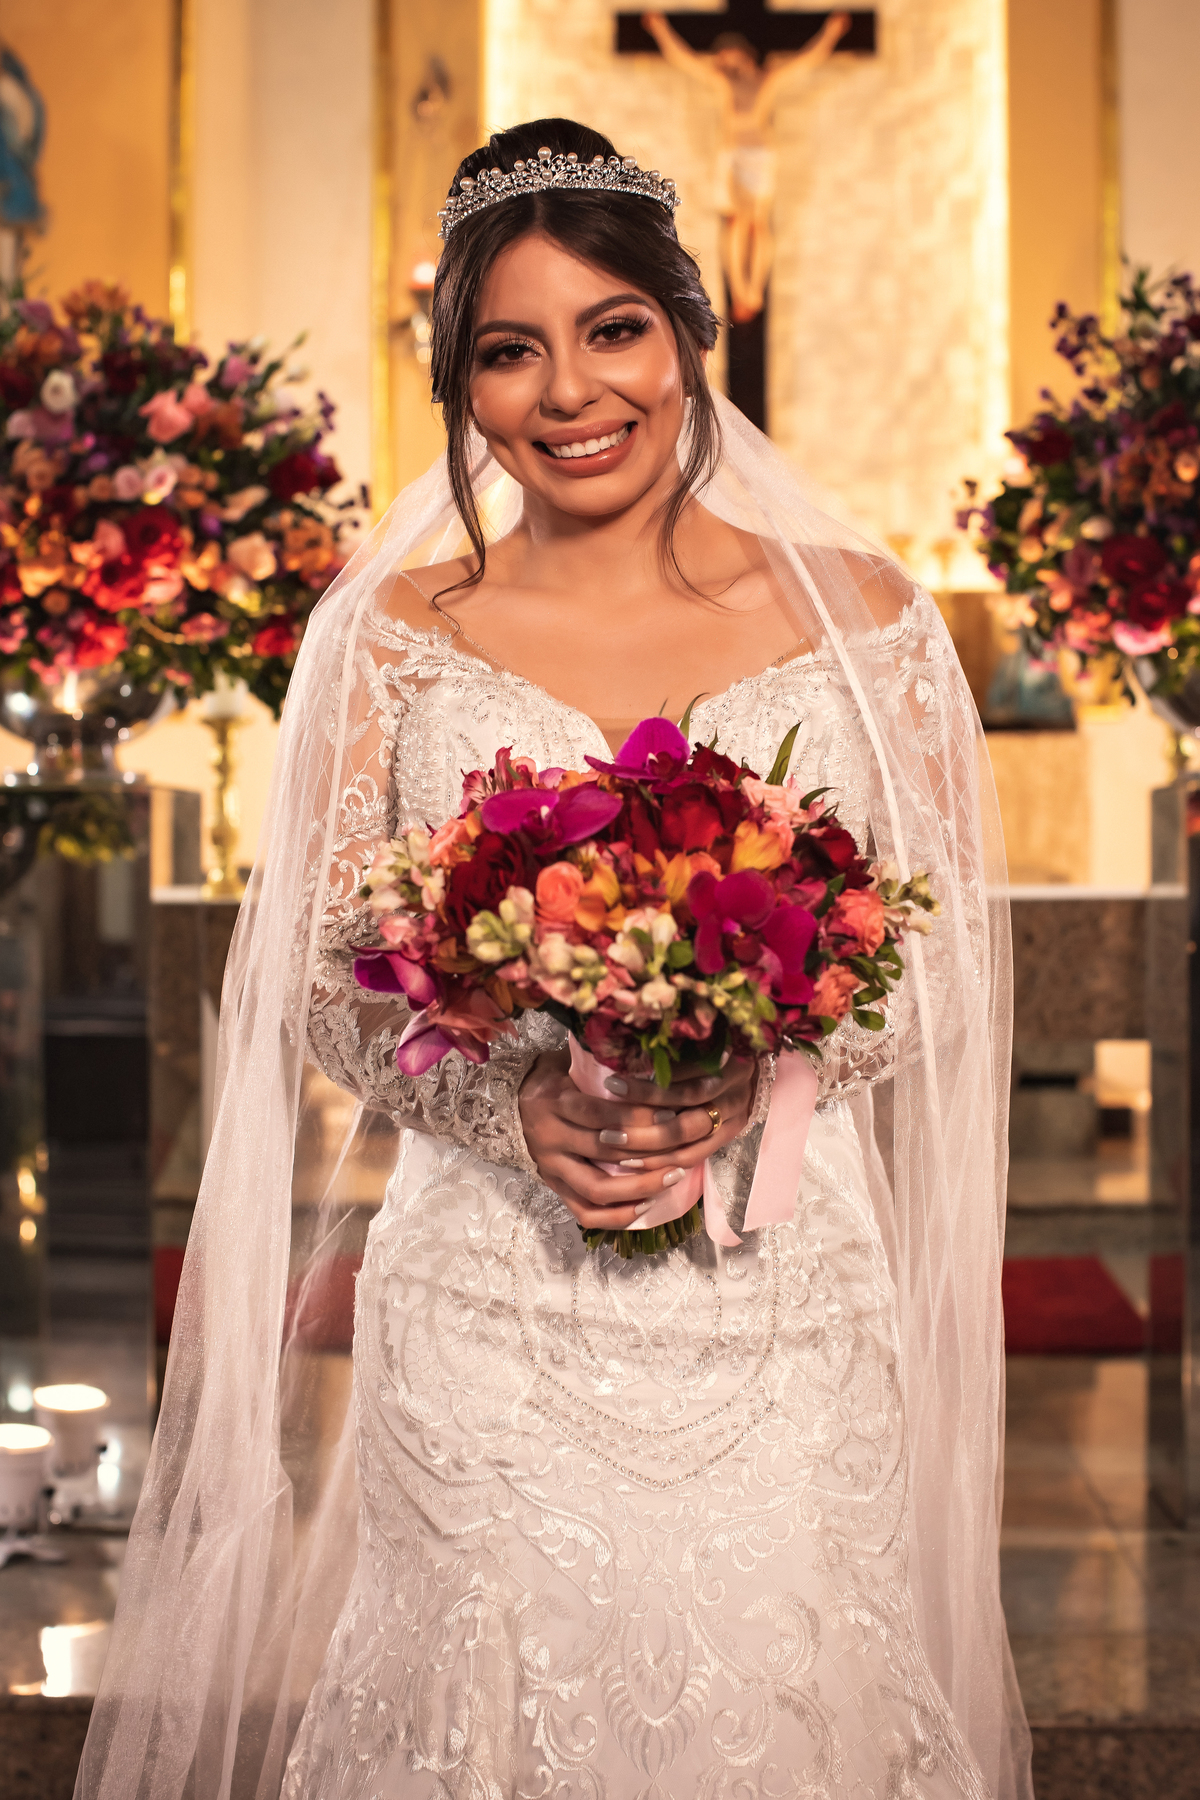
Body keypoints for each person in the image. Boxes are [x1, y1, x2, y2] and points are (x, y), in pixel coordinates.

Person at [76, 119, 1031, 1800]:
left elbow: (945, 951)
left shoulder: (864, 615)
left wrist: (747, 1073)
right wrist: (515, 1108)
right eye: (509, 350)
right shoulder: (391, 638)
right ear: (458, 381)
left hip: (784, 1295)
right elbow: (308, 972)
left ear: (690, 334)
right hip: (488, 1302)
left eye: (613, 331)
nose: (569, 392)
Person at [642, 10, 851, 320]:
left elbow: (806, 60)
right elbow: (684, 59)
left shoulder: (767, 80)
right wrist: (660, 30)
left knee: (757, 222)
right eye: (721, 58)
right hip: (733, 156)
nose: (724, 61)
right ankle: (741, 289)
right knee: (737, 222)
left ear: (743, 53)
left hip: (759, 155)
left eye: (728, 55)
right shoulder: (723, 82)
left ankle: (754, 288)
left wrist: (831, 33)